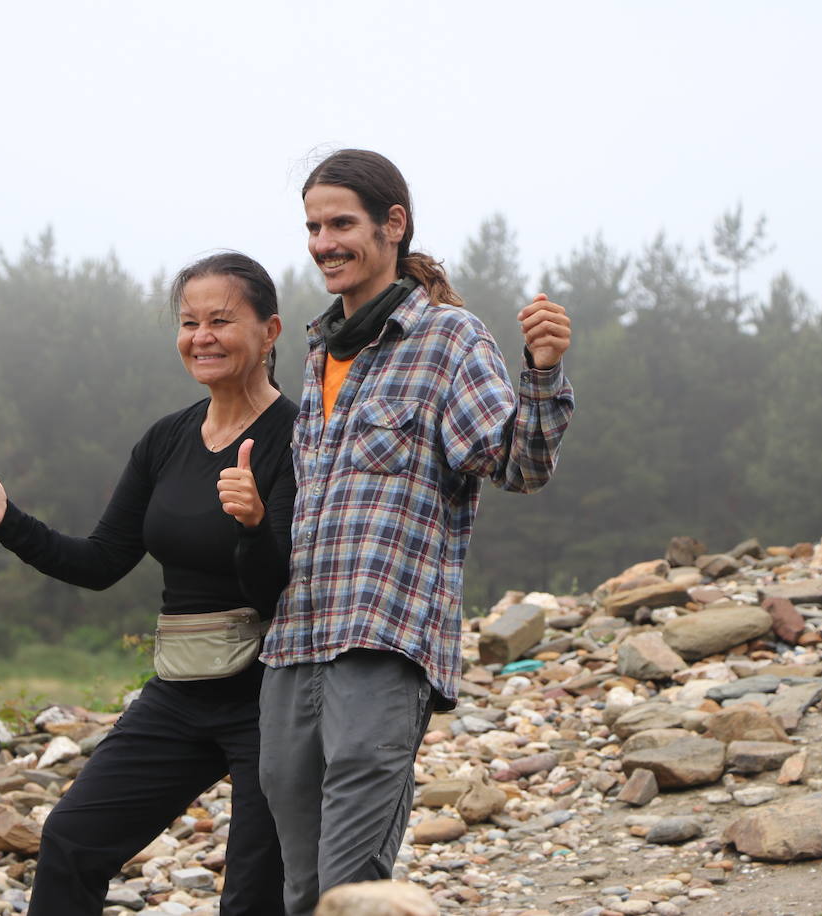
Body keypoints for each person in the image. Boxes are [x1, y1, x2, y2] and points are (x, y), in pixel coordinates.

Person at [257, 149, 576, 915]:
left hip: (383, 645)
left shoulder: (448, 339)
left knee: (354, 888)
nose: (324, 242)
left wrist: (544, 368)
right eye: (312, 226)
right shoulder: (315, 355)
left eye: (341, 223)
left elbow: (516, 465)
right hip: (294, 643)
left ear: (392, 225)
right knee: (300, 891)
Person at [0, 251, 294, 916]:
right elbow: (102, 561)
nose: (201, 337)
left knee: (253, 897)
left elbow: (284, 591)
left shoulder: (301, 438)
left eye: (220, 320)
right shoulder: (165, 440)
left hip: (274, 699)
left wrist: (253, 525)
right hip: (181, 691)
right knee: (73, 839)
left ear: (270, 331)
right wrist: (7, 520)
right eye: (189, 322)